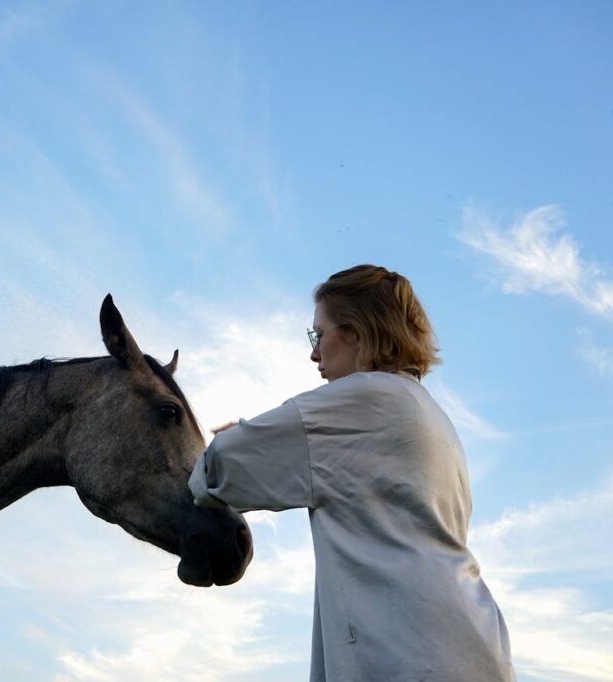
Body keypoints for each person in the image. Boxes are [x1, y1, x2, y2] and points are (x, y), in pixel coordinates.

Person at [190, 264, 515, 682]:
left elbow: (218, 469)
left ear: (358, 332)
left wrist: (241, 437)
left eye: (319, 334)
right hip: (470, 645)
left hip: (409, 654)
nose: (313, 353)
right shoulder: (429, 414)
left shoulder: (365, 399)